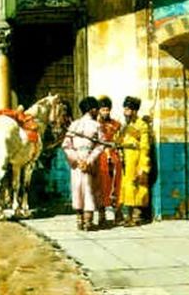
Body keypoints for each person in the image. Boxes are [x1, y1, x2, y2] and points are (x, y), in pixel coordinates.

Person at [62, 96, 104, 231]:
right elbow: (100, 146)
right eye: (96, 109)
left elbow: (66, 146)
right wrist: (88, 160)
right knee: (88, 190)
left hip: (79, 162)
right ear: (92, 110)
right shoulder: (96, 126)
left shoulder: (74, 125)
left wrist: (77, 159)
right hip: (86, 160)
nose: (97, 112)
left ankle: (82, 219)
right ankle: (86, 221)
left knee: (78, 189)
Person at [115, 96, 151, 227]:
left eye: (128, 109)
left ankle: (136, 216)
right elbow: (118, 141)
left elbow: (145, 147)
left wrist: (143, 165)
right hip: (126, 160)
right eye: (125, 108)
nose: (125, 111)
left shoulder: (142, 125)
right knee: (127, 186)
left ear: (135, 111)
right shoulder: (125, 126)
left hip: (137, 160)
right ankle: (128, 215)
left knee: (137, 186)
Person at [96, 96, 122, 228]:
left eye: (107, 109)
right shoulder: (95, 125)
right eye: (103, 109)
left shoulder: (116, 125)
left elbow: (118, 141)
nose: (105, 112)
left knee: (117, 183)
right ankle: (101, 215)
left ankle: (118, 213)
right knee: (101, 185)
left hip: (113, 156)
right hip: (100, 157)